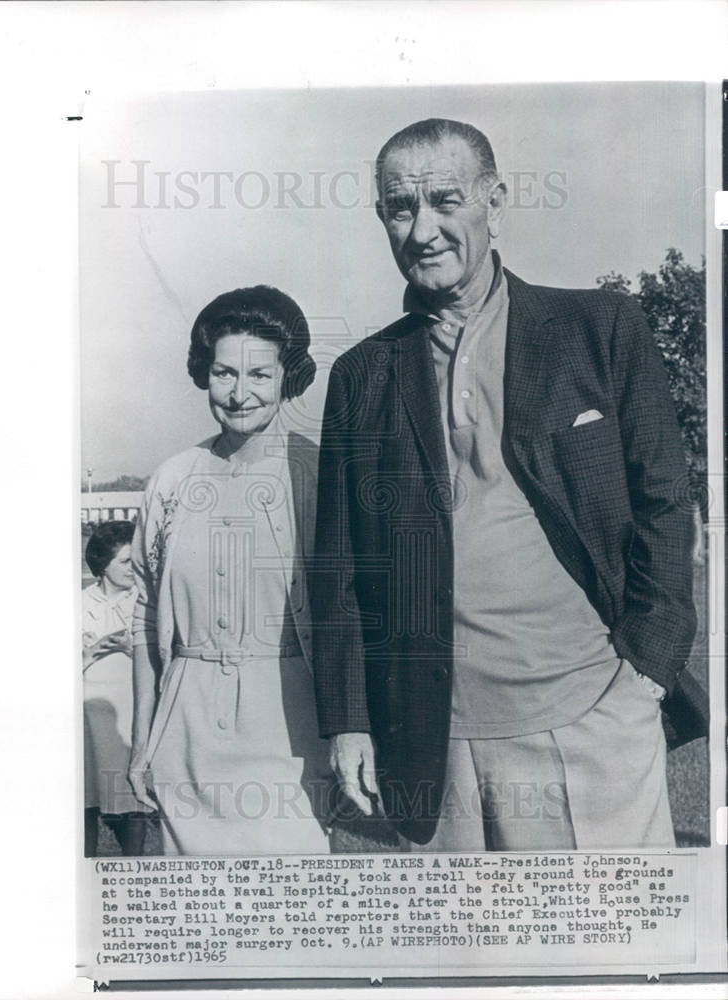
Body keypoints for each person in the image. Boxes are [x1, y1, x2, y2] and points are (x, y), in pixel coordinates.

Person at [312, 118, 707, 851]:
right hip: (435, 739)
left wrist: (645, 672)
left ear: (493, 203)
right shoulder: (362, 376)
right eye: (400, 208)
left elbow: (663, 502)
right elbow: (338, 570)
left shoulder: (599, 327)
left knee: (609, 951)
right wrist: (348, 720)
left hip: (593, 717)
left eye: (444, 200)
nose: (422, 229)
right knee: (472, 957)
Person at [128, 285, 332, 855]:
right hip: (185, 732)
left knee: (292, 919)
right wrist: (143, 739)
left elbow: (351, 613)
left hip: (291, 731)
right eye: (224, 374)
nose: (240, 394)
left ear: (288, 377)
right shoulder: (171, 480)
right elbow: (146, 618)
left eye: (260, 376)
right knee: (196, 927)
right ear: (204, 374)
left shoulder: (315, 473)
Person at [83, 520, 152, 855]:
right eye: (125, 562)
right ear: (103, 564)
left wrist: (131, 649)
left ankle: (133, 868)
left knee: (130, 795)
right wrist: (89, 652)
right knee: (85, 796)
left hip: (129, 713)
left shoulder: (145, 603)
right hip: (87, 718)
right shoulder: (80, 604)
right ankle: (84, 867)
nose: (132, 569)